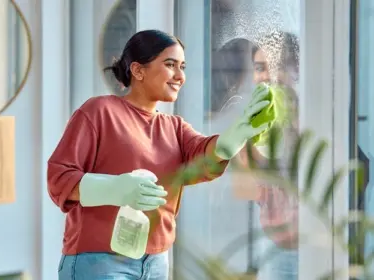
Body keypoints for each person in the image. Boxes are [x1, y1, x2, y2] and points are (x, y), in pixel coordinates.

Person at [48, 29, 273, 280]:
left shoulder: (174, 127)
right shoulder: (99, 112)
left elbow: (203, 154)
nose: (180, 76)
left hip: (156, 262)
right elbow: (59, 178)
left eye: (183, 67)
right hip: (99, 262)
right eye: (170, 65)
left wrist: (233, 139)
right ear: (138, 70)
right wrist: (115, 188)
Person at [232, 30, 300, 280]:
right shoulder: (255, 120)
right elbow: (245, 189)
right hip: (270, 242)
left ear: (296, 69)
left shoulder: (314, 115)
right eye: (260, 67)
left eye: (277, 66)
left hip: (311, 242)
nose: (267, 76)